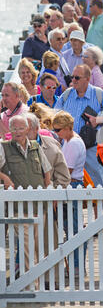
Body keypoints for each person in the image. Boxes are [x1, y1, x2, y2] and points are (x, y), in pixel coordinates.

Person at [0, 115, 52, 280]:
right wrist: (5, 178)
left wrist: (48, 189)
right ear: (10, 130)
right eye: (14, 128)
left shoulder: (36, 147)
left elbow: (46, 171)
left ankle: (31, 280)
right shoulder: (4, 147)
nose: (17, 132)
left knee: (36, 245)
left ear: (28, 129)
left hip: (39, 205)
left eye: (21, 128)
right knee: (26, 244)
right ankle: (30, 283)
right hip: (18, 207)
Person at [54, 64, 103, 188]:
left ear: (87, 78)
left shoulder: (98, 94)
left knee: (96, 181)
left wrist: (97, 119)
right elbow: (55, 116)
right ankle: (75, 207)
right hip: (69, 146)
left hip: (91, 146)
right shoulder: (66, 95)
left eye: (77, 78)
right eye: (72, 77)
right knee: (69, 181)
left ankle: (98, 207)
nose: (73, 80)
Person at [52, 110, 87, 275]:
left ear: (67, 128)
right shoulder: (70, 140)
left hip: (71, 185)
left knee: (73, 228)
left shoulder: (72, 143)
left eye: (58, 130)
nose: (56, 133)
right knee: (73, 227)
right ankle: (75, 266)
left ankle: (76, 267)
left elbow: (67, 170)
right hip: (72, 185)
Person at [26, 112, 71, 189]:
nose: (22, 132)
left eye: (26, 129)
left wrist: (54, 194)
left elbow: (63, 176)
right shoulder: (11, 146)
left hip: (48, 196)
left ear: (36, 129)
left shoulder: (52, 144)